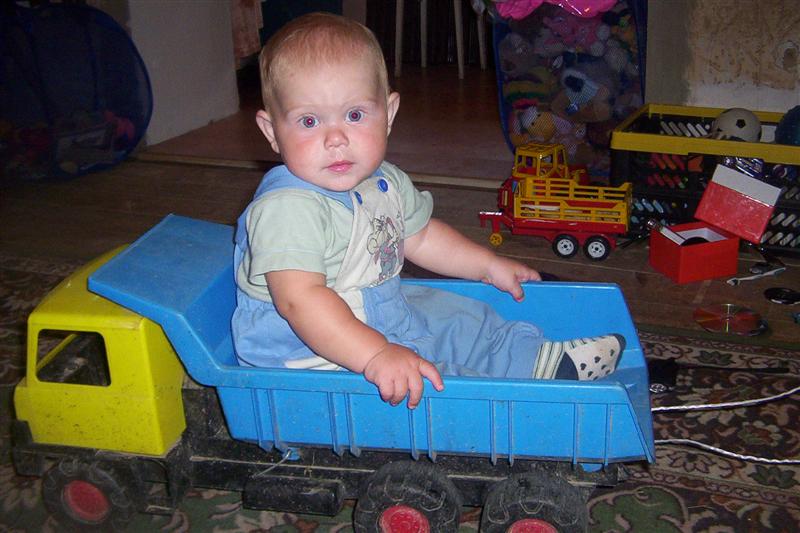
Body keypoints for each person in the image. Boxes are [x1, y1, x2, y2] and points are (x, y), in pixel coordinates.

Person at [232, 12, 624, 409]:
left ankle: (534, 359)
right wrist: (376, 353)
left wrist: (486, 265)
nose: (335, 138)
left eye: (354, 115)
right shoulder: (287, 209)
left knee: (457, 316)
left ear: (388, 115)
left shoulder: (384, 180)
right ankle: (515, 403)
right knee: (427, 377)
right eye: (309, 121)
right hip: (311, 351)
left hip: (378, 308)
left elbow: (420, 236)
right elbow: (300, 301)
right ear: (272, 132)